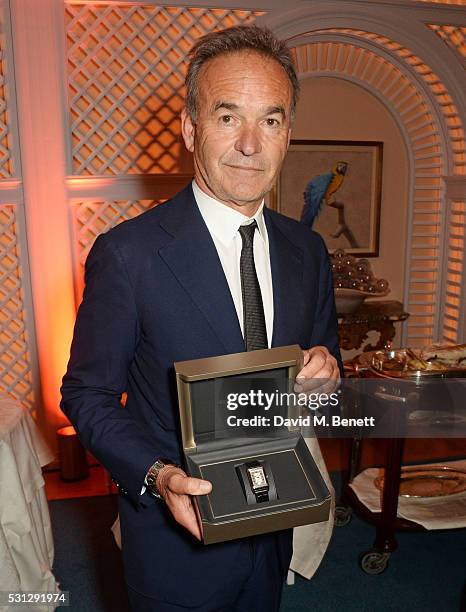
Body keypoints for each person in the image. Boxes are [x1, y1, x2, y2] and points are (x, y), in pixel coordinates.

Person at [61, 25, 341, 612]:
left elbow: (322, 363)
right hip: (174, 544)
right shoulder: (128, 254)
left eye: (270, 120)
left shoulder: (306, 251)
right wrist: (159, 477)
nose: (249, 144)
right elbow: (86, 396)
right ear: (191, 129)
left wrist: (327, 374)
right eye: (226, 117)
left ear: (288, 132)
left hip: (273, 524)